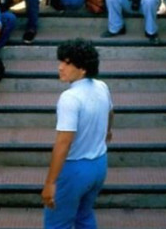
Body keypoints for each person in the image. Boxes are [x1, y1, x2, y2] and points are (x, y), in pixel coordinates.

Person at [41, 39, 113, 228]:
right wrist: (107, 132)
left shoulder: (69, 98)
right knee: (84, 216)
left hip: (75, 170)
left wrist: (50, 182)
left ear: (82, 69)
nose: (60, 67)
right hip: (99, 165)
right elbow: (111, 112)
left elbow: (64, 142)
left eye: (67, 63)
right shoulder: (101, 86)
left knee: (57, 224)